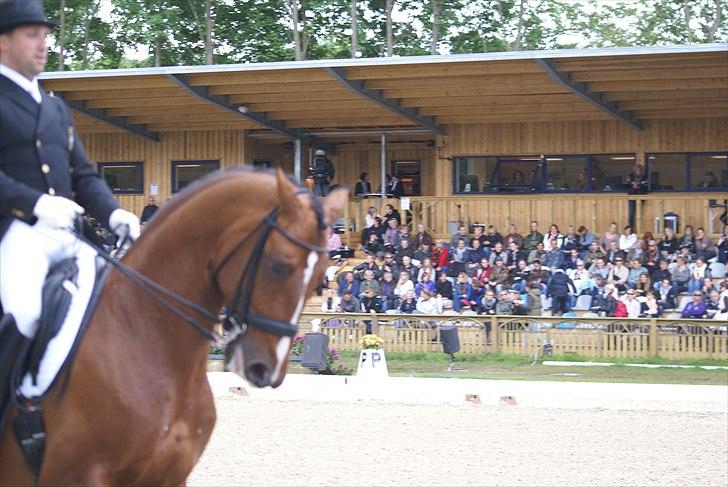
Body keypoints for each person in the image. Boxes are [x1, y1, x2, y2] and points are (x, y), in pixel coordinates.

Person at [0, 0, 141, 411]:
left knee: (116, 297)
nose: (43, 44)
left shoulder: (55, 107)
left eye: (45, 35)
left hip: (65, 233)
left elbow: (83, 175)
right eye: (32, 35)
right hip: (14, 234)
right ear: (3, 42)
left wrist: (114, 212)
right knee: (24, 311)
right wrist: (37, 203)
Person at [625, 164, 648, 229]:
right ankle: (631, 229)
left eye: (639, 170)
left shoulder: (645, 177)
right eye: (637, 170)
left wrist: (639, 185)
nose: (638, 171)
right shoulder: (630, 177)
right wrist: (632, 185)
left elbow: (647, 187)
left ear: (641, 171)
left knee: (639, 215)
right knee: (631, 215)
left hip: (641, 197)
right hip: (632, 197)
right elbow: (625, 185)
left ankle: (639, 229)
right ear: (634, 170)